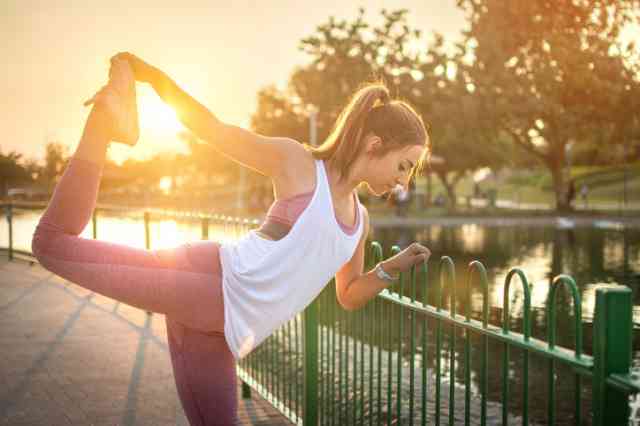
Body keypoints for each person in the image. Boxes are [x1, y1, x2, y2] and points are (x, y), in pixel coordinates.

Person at [31, 52, 432, 425]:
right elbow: (213, 131)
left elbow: (348, 294)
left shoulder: (359, 222)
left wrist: (391, 268)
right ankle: (104, 120)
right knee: (50, 244)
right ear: (374, 145)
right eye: (403, 166)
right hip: (204, 283)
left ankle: (108, 118)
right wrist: (149, 76)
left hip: (219, 333)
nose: (403, 180)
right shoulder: (300, 164)